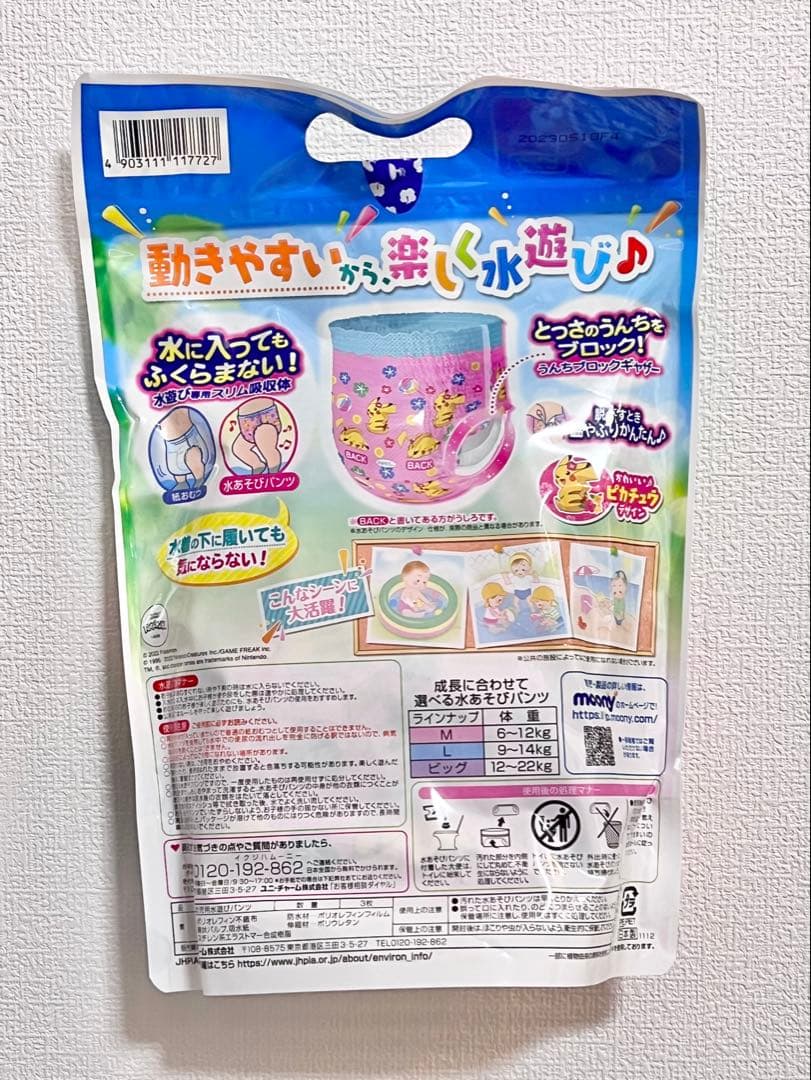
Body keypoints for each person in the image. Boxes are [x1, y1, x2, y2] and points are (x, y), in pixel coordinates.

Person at [231, 398, 283, 475]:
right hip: (245, 421)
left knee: (268, 450)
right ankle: (257, 465)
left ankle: (273, 474)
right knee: (239, 449)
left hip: (264, 416)